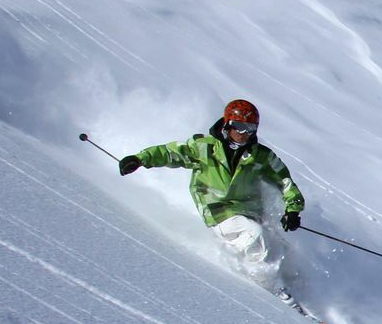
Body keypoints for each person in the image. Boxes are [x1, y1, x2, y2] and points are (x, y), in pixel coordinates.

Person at [119, 99, 304, 295]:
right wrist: (140, 159)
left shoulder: (261, 156)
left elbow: (284, 181)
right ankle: (268, 289)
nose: (244, 133)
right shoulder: (204, 147)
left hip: (249, 210)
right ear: (227, 124)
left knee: (282, 246)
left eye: (250, 128)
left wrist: (293, 209)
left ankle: (297, 289)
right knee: (254, 235)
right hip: (217, 208)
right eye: (239, 127)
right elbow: (171, 153)